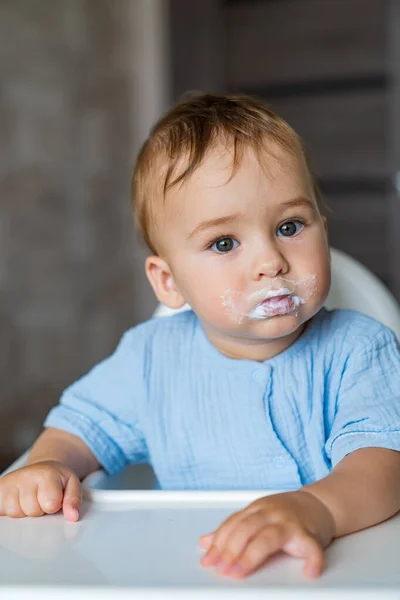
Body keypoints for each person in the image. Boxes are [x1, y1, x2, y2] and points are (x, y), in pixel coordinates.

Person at [1, 93, 400, 581]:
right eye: (224, 242)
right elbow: (80, 429)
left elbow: (382, 469)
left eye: (290, 226)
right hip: (195, 571)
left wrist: (317, 509)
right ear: (168, 282)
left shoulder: (361, 349)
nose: (270, 261)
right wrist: (48, 465)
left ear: (323, 227)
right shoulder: (150, 358)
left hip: (330, 575)